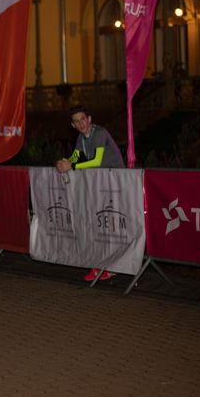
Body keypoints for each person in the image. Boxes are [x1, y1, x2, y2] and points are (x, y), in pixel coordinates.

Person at [55, 104, 124, 282]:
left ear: (89, 119)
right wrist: (64, 163)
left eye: (83, 120)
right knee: (102, 226)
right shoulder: (81, 137)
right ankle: (103, 264)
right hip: (102, 183)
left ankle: (113, 267)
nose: (81, 124)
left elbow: (97, 161)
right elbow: (75, 156)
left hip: (117, 183)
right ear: (73, 125)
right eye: (76, 121)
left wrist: (72, 166)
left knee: (112, 227)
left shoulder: (100, 133)